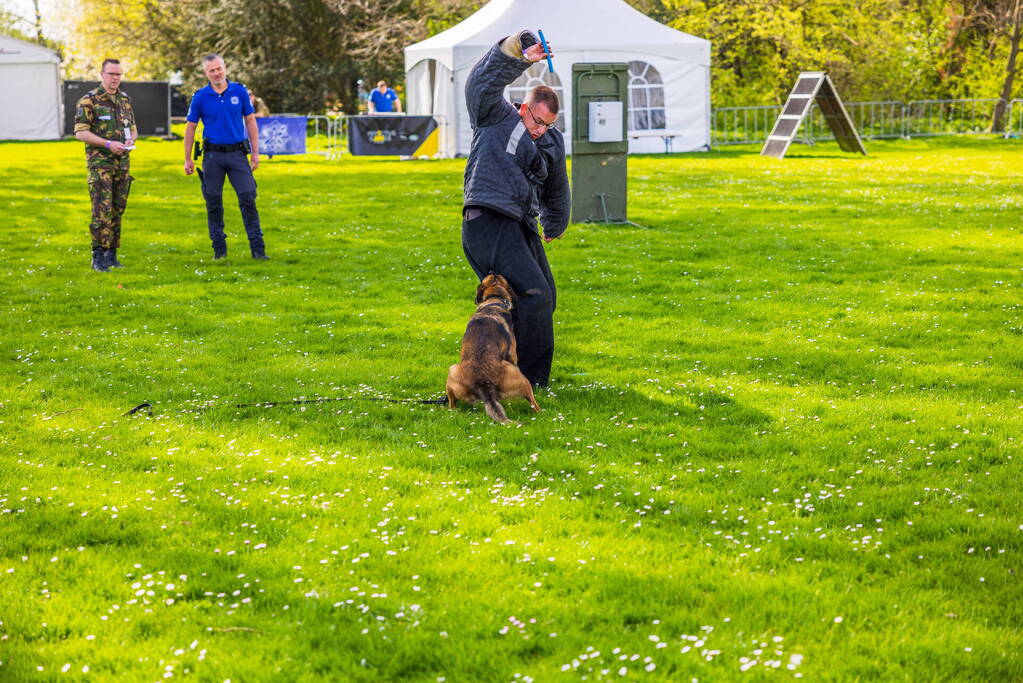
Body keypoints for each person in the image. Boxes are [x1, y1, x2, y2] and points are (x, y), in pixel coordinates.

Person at [461, 31, 570, 388]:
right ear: (524, 107)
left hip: (521, 223)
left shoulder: (551, 139)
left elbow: (556, 185)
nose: (540, 131)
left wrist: (555, 223)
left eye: (548, 125)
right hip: (488, 218)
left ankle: (502, 368)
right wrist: (517, 51)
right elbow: (481, 82)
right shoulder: (495, 116)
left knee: (545, 297)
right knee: (532, 294)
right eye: (537, 121)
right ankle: (531, 381)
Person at [183, 54, 268, 260]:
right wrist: (188, 159)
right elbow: (191, 127)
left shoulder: (239, 91)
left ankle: (258, 251)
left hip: (238, 155)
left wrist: (256, 153)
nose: (217, 73)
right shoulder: (200, 97)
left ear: (225, 67)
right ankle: (219, 252)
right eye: (212, 70)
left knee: (248, 198)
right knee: (213, 202)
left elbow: (250, 121)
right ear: (206, 73)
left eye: (219, 68)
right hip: (212, 157)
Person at [74, 58, 137, 272]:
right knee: (101, 209)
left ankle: (112, 254)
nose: (115, 78)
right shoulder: (89, 100)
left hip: (122, 164)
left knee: (118, 209)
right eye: (111, 74)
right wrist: (108, 144)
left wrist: (130, 141)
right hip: (100, 164)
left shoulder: (125, 99)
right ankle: (97, 256)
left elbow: (133, 128)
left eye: (118, 74)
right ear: (102, 75)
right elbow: (81, 132)